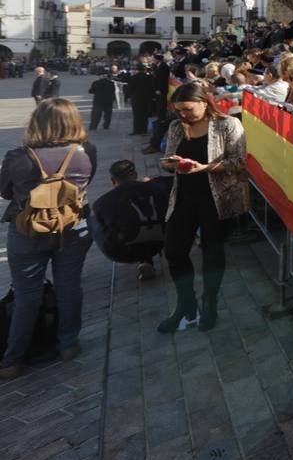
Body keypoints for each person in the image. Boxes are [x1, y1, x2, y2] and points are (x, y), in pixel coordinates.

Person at [0, 99, 98, 377]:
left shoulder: (18, 156)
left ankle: (13, 358)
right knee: (69, 285)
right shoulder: (86, 150)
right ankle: (68, 344)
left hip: (29, 229)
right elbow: (85, 183)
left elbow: (5, 191)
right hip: (74, 225)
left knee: (26, 293)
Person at [156, 81, 248, 334]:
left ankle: (210, 301)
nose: (183, 115)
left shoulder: (228, 124)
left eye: (187, 109)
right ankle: (186, 302)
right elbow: (167, 157)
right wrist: (170, 163)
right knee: (174, 250)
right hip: (184, 196)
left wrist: (205, 167)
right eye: (178, 110)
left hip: (217, 197)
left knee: (212, 251)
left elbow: (239, 162)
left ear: (204, 103)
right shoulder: (177, 126)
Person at [89, 159, 170, 281]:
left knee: (92, 220)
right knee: (144, 224)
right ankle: (146, 260)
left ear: (113, 181)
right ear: (135, 175)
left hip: (122, 252)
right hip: (158, 243)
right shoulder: (157, 188)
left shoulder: (103, 202)